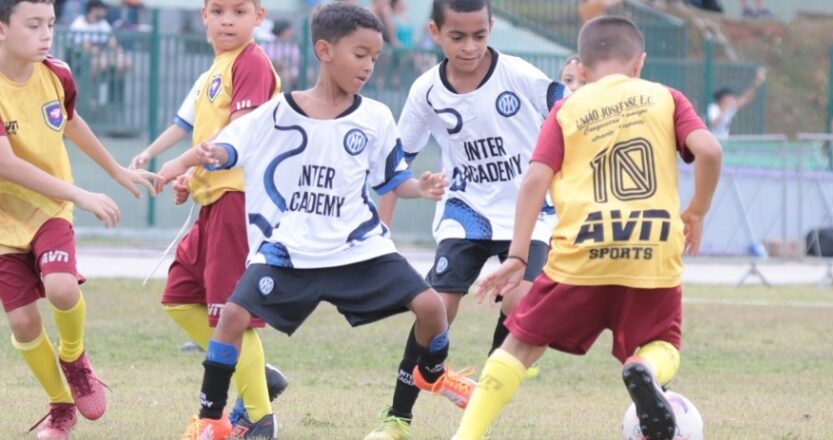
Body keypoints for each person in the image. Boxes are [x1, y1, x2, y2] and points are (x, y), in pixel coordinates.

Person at [166, 3, 476, 438]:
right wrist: (215, 155)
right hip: (290, 247)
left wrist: (419, 187)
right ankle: (212, 419)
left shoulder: (374, 118)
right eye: (360, 54)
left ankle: (432, 371)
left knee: (431, 308)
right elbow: (231, 144)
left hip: (356, 247)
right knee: (233, 316)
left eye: (374, 57)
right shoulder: (278, 113)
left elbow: (393, 178)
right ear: (325, 50)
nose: (368, 66)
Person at [452, 16, 722, 440]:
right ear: (639, 63)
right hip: (651, 247)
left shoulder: (567, 109)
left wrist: (518, 256)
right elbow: (708, 149)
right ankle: (644, 369)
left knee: (519, 346)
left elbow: (534, 182)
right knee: (663, 344)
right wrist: (697, 211)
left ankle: (465, 437)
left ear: (580, 68)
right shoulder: (665, 97)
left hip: (583, 252)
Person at [367, 1, 568, 438]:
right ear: (436, 33)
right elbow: (397, 162)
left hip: (527, 213)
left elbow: (564, 103)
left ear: (491, 28)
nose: (470, 46)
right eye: (458, 37)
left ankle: (482, 396)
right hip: (466, 211)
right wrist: (399, 207)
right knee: (435, 310)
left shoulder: (517, 73)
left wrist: (579, 93)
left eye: (480, 35)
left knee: (521, 306)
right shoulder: (426, 90)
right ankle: (397, 419)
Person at [0, 0, 157, 438]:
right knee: (22, 323)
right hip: (4, 222)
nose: (46, 34)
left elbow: (70, 121)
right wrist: (82, 193)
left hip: (50, 209)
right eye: (33, 25)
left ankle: (75, 357)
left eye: (50, 23)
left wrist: (116, 170)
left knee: (62, 288)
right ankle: (60, 407)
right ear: (1, 29)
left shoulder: (58, 73)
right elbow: (6, 164)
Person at [152, 0, 289, 436]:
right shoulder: (218, 67)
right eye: (219, 10)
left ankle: (259, 420)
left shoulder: (253, 63)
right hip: (213, 201)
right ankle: (258, 376)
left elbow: (238, 135)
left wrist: (178, 165)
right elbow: (214, 141)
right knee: (178, 296)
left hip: (238, 203)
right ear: (204, 17)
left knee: (232, 315)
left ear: (259, 17)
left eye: (239, 11)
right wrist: (193, 176)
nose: (228, 20)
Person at [707, 66, 766, 138]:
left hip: (724, 142)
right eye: (729, 97)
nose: (732, 99)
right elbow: (713, 125)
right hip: (712, 142)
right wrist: (724, 110)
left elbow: (745, 99)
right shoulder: (713, 108)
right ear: (722, 99)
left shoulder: (730, 108)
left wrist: (757, 82)